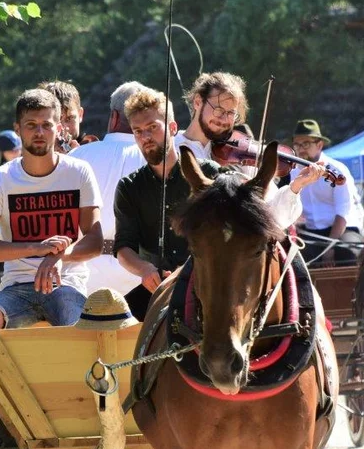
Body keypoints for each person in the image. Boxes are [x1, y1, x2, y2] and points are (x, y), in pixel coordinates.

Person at [114, 89, 323, 319]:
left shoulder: (211, 174)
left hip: (206, 285)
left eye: (152, 127)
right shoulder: (129, 187)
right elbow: (124, 247)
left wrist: (295, 188)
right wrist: (145, 270)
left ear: (173, 128)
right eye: (138, 131)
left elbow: (260, 216)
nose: (145, 137)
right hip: (156, 289)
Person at [0, 88, 103, 330]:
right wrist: (36, 248)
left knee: (72, 322)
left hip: (66, 284)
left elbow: (94, 241)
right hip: (16, 287)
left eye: (46, 125)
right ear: (18, 129)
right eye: (31, 125)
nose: (39, 132)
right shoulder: (1, 178)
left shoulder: (79, 171)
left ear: (59, 128)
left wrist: (58, 257)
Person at [173, 71, 306, 228]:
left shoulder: (239, 156)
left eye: (231, 113)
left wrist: (295, 188)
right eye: (218, 109)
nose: (224, 119)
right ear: (197, 102)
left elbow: (274, 218)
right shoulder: (172, 151)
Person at [68, 82, 148, 295]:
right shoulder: (158, 162)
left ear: (113, 117)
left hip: (82, 273)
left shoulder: (77, 157)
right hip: (140, 276)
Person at [290, 119, 364, 267]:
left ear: (319, 145)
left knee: (347, 252)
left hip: (342, 230)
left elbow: (343, 212)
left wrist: (329, 247)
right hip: (312, 231)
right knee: (294, 258)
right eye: (297, 145)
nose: (301, 149)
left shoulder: (337, 170)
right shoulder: (293, 172)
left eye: (306, 144)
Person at [41, 80, 97, 149]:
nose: (64, 127)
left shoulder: (94, 151)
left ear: (80, 115)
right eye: (56, 121)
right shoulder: (29, 154)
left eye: (69, 119)